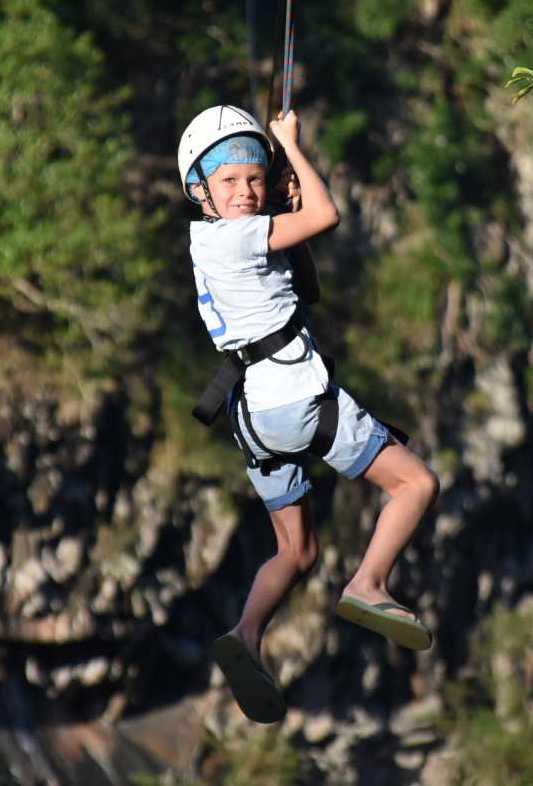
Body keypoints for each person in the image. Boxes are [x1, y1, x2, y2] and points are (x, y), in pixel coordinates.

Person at [178, 105, 440, 723]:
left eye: (253, 180)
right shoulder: (243, 233)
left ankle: (244, 634)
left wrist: (281, 202)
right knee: (416, 484)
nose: (245, 192)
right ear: (201, 192)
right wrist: (290, 147)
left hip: (251, 420)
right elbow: (327, 216)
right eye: (229, 183)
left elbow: (302, 285)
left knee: (296, 552)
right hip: (297, 398)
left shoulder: (210, 239)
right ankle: (368, 585)